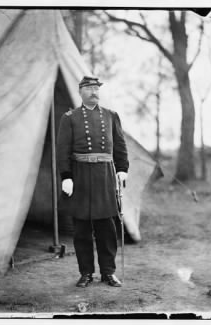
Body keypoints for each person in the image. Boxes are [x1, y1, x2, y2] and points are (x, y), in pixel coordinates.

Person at [56, 76, 129, 288]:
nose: (93, 91)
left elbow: (120, 146)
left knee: (107, 229)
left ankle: (108, 272)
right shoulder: (70, 118)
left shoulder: (111, 116)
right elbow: (63, 151)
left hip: (104, 177)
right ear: (80, 92)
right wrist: (66, 176)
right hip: (80, 178)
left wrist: (122, 169)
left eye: (96, 88)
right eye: (88, 88)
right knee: (81, 231)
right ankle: (86, 273)